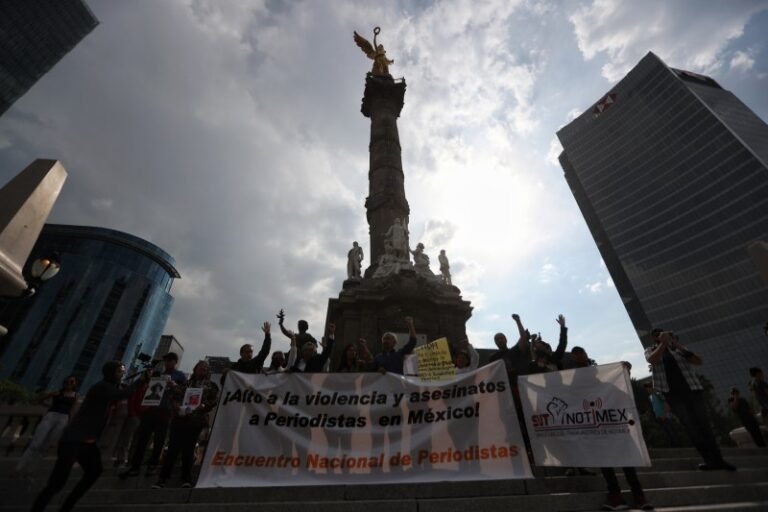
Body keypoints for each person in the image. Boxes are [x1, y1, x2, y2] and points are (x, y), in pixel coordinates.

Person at [30, 362, 150, 512]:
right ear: (111, 373)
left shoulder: (108, 387)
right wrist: (141, 380)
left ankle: (67, 506)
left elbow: (120, 393)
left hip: (86, 442)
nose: (122, 375)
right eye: (119, 372)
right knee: (57, 482)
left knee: (95, 470)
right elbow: (121, 395)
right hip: (73, 441)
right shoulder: (102, 387)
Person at [645, 329, 735, 471]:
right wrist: (663, 344)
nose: (661, 336)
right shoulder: (651, 350)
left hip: (692, 390)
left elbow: (698, 361)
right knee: (691, 428)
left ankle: (719, 460)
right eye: (657, 335)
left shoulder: (678, 349)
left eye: (663, 333)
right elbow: (652, 360)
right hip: (673, 395)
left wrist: (676, 345)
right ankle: (708, 460)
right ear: (653, 339)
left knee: (705, 426)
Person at [592, 359, 654, 510]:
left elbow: (628, 402)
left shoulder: (610, 387)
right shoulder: (586, 390)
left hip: (618, 430)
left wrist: (624, 375)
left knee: (627, 463)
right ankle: (616, 496)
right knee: (607, 465)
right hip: (601, 432)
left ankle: (638, 496)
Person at [153, 360, 220, 488]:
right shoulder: (185, 384)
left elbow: (214, 400)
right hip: (180, 419)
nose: (202, 370)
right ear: (195, 369)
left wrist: (204, 405)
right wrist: (177, 407)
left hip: (196, 420)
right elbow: (174, 397)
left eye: (205, 368)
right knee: (172, 448)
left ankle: (186, 479)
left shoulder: (211, 386)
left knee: (189, 450)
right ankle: (162, 479)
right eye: (200, 368)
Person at [120, 352, 187, 478]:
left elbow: (184, 391)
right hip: (150, 408)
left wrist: (174, 385)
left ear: (175, 362)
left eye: (170, 360)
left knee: (159, 440)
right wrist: (148, 378)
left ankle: (153, 465)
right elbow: (145, 387)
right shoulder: (158, 373)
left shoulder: (180, 375)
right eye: (166, 360)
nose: (167, 363)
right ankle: (135, 466)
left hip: (166, 410)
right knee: (142, 439)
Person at [16, 376, 79, 476]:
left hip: (63, 419)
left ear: (75, 384)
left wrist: (69, 423)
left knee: (45, 446)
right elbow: (38, 400)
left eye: (72, 382)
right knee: (35, 443)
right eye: (67, 381)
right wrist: (48, 406)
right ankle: (19, 468)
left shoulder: (75, 396)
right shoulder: (56, 393)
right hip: (51, 416)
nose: (69, 383)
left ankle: (30, 471)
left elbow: (72, 410)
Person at [644, 382, 682, 446]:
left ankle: (678, 444)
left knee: (671, 430)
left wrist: (665, 414)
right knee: (666, 431)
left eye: (648, 388)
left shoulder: (658, 394)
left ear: (651, 387)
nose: (648, 390)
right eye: (647, 389)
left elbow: (666, 404)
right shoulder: (650, 397)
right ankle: (672, 444)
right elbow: (654, 406)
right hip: (659, 417)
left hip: (665, 416)